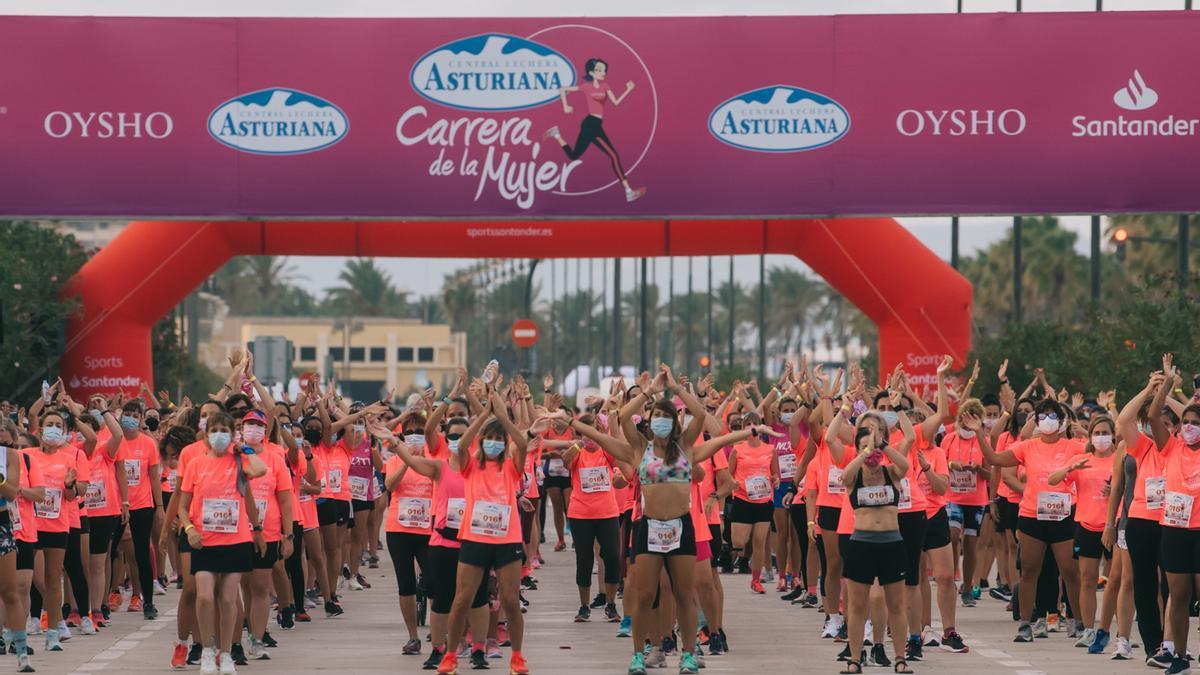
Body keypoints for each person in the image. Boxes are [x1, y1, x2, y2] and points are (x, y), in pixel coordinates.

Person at [437, 383, 535, 675]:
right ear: (482, 442)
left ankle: (517, 657)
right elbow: (464, 441)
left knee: (510, 600)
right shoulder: (470, 465)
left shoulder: (510, 466)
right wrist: (483, 418)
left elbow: (523, 442)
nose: (493, 443)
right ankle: (450, 655)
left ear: (504, 443)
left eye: (498, 440)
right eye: (488, 439)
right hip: (475, 540)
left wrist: (502, 418)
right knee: (462, 599)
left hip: (507, 542)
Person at [979, 398, 1085, 644]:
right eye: (1043, 416)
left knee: (1070, 572)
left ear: (1061, 422)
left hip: (1063, 517)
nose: (1048, 420)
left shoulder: (1074, 446)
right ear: (1036, 422)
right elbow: (995, 459)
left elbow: (1107, 451)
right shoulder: (1027, 446)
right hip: (1031, 517)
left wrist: (1087, 433)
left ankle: (1077, 621)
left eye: (1052, 416)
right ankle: (1026, 623)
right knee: (1029, 571)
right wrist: (977, 433)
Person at [176, 411, 267, 675]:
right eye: (213, 430)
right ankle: (206, 650)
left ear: (232, 434)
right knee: (204, 597)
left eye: (223, 431)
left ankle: (225, 654)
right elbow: (183, 507)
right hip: (203, 540)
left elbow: (260, 471)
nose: (218, 435)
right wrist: (189, 528)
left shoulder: (240, 461)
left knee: (228, 600)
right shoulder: (195, 464)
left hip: (235, 540)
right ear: (206, 433)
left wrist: (243, 449)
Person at [836, 399, 914, 675]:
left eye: (874, 448)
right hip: (861, 545)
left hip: (892, 544)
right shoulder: (854, 476)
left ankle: (900, 658)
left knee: (896, 605)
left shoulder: (890, 473)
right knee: (857, 606)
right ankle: (855, 659)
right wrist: (862, 452)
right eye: (864, 448)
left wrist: (883, 446)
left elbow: (904, 465)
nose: (871, 454)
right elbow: (844, 476)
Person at [1147, 355, 1200, 675]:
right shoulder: (1172, 446)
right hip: (1176, 529)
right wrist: (1167, 383)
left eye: (1197, 422)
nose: (1190, 426)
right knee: (1177, 595)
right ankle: (1179, 655)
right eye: (1187, 422)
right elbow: (1154, 414)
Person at [1048, 415, 1116, 650]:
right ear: (1089, 437)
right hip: (1087, 525)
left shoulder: (1120, 459)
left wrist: (1116, 488)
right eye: (1096, 433)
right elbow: (1052, 480)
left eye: (1105, 432)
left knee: (1117, 581)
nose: (1101, 437)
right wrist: (1069, 467)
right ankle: (1088, 629)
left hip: (1115, 525)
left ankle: (1114, 631)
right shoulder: (1082, 460)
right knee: (1087, 579)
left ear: (1114, 435)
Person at [544, 57, 646, 203]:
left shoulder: (605, 86)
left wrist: (628, 90)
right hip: (591, 124)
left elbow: (616, 103)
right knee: (614, 156)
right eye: (598, 70)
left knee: (573, 156)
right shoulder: (586, 86)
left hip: (594, 124)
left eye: (603, 69)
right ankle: (628, 191)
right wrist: (565, 106)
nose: (602, 72)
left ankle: (556, 134)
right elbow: (563, 89)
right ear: (591, 72)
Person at [235, 410, 293, 660]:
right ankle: (238, 637)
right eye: (249, 424)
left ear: (266, 430)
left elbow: (285, 498)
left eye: (259, 425)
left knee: (260, 586)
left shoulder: (275, 458)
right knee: (242, 585)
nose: (253, 429)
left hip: (267, 532)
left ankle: (257, 640)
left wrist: (287, 534)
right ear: (241, 428)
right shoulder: (232, 455)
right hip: (235, 531)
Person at [0, 420, 34, 671]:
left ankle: (22, 653)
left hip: (2, 523)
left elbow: (12, 493)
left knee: (10, 591)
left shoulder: (10, 455)